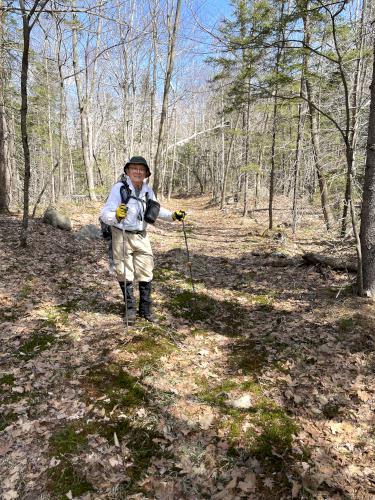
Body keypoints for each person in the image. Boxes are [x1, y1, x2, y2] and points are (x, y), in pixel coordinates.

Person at [100, 156, 186, 323]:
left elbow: (156, 210)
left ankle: (145, 309)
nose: (138, 172)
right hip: (121, 234)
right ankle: (130, 309)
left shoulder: (148, 191)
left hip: (141, 235)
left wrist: (173, 216)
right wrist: (115, 215)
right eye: (135, 168)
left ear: (146, 173)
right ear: (128, 171)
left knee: (146, 270)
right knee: (124, 271)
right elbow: (105, 213)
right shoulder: (119, 188)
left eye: (142, 169)